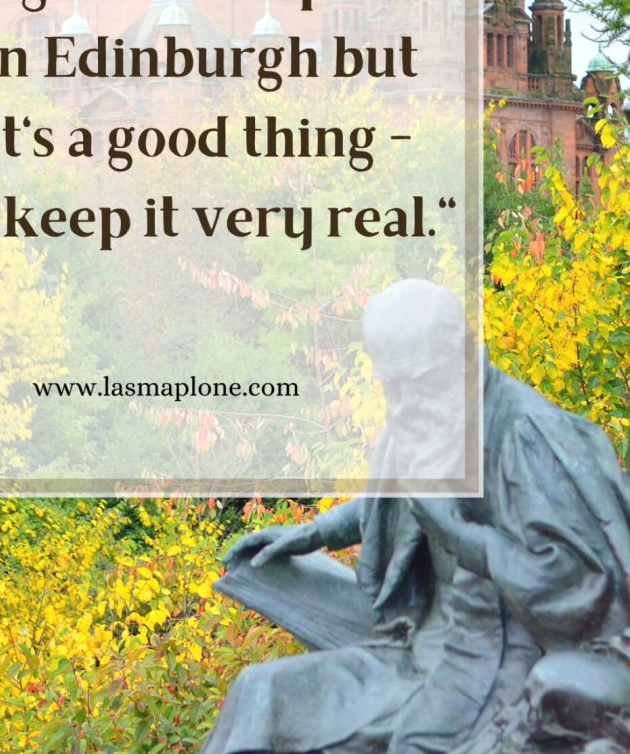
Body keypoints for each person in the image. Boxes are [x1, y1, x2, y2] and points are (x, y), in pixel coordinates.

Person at [201, 279, 630, 754]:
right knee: (261, 692)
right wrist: (315, 532)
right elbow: (396, 499)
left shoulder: (527, 433)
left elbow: (583, 583)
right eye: (393, 385)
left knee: (413, 743)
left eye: (419, 381)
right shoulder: (425, 414)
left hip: (497, 670)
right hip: (416, 645)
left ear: (462, 353)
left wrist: (459, 535)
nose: (405, 402)